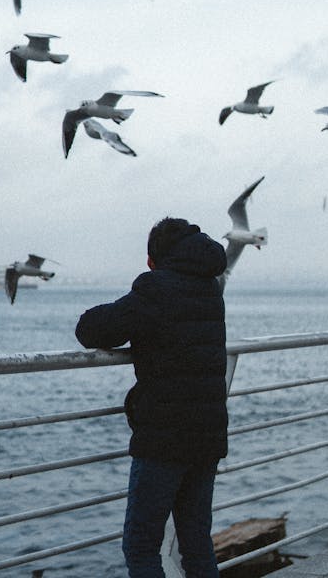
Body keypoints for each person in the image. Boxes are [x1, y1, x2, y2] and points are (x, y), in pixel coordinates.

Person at [75, 216, 228, 578]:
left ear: (151, 260)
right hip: (206, 436)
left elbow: (93, 329)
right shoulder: (211, 288)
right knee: (196, 544)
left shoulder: (155, 288)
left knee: (141, 547)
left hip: (164, 439)